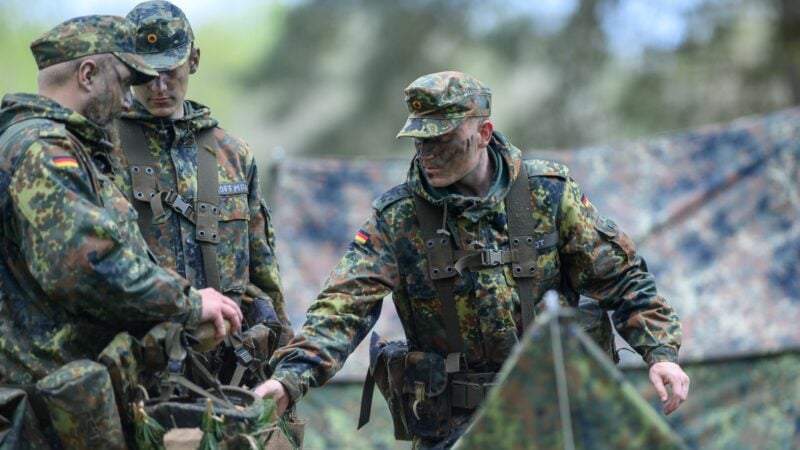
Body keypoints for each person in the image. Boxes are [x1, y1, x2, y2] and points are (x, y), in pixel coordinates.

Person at [255, 71, 690, 448]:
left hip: (556, 416)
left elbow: (622, 278)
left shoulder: (548, 194)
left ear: (483, 134)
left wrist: (661, 352)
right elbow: (342, 307)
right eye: (420, 140)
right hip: (453, 430)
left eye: (442, 139)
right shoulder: (399, 217)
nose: (427, 154)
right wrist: (289, 378)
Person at [0, 14, 243, 447]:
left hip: (63, 407)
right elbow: (87, 267)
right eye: (126, 81)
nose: (132, 102)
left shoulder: (56, 146)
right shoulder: (42, 150)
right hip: (41, 417)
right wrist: (188, 303)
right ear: (88, 74)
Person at [110, 0, 292, 387]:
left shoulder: (232, 154)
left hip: (232, 370)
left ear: (193, 60)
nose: (159, 87)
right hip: (141, 370)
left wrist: (283, 366)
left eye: (170, 72)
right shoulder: (103, 152)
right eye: (145, 74)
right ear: (126, 69)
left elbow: (263, 272)